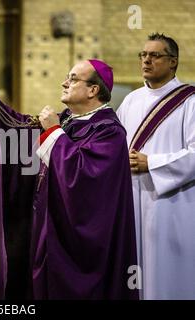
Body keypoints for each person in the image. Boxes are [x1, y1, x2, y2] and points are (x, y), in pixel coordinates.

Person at [0, 59, 138, 299]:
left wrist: (54, 133)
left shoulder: (108, 131)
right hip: (45, 230)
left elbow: (85, 179)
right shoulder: (66, 120)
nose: (64, 82)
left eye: (73, 78)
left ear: (93, 90)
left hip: (74, 247)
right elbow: (18, 132)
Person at [116, 33, 195, 300]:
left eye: (155, 55)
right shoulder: (131, 101)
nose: (146, 60)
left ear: (172, 62)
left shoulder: (190, 101)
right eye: (143, 55)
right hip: (133, 199)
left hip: (172, 203)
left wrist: (153, 163)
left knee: (169, 273)